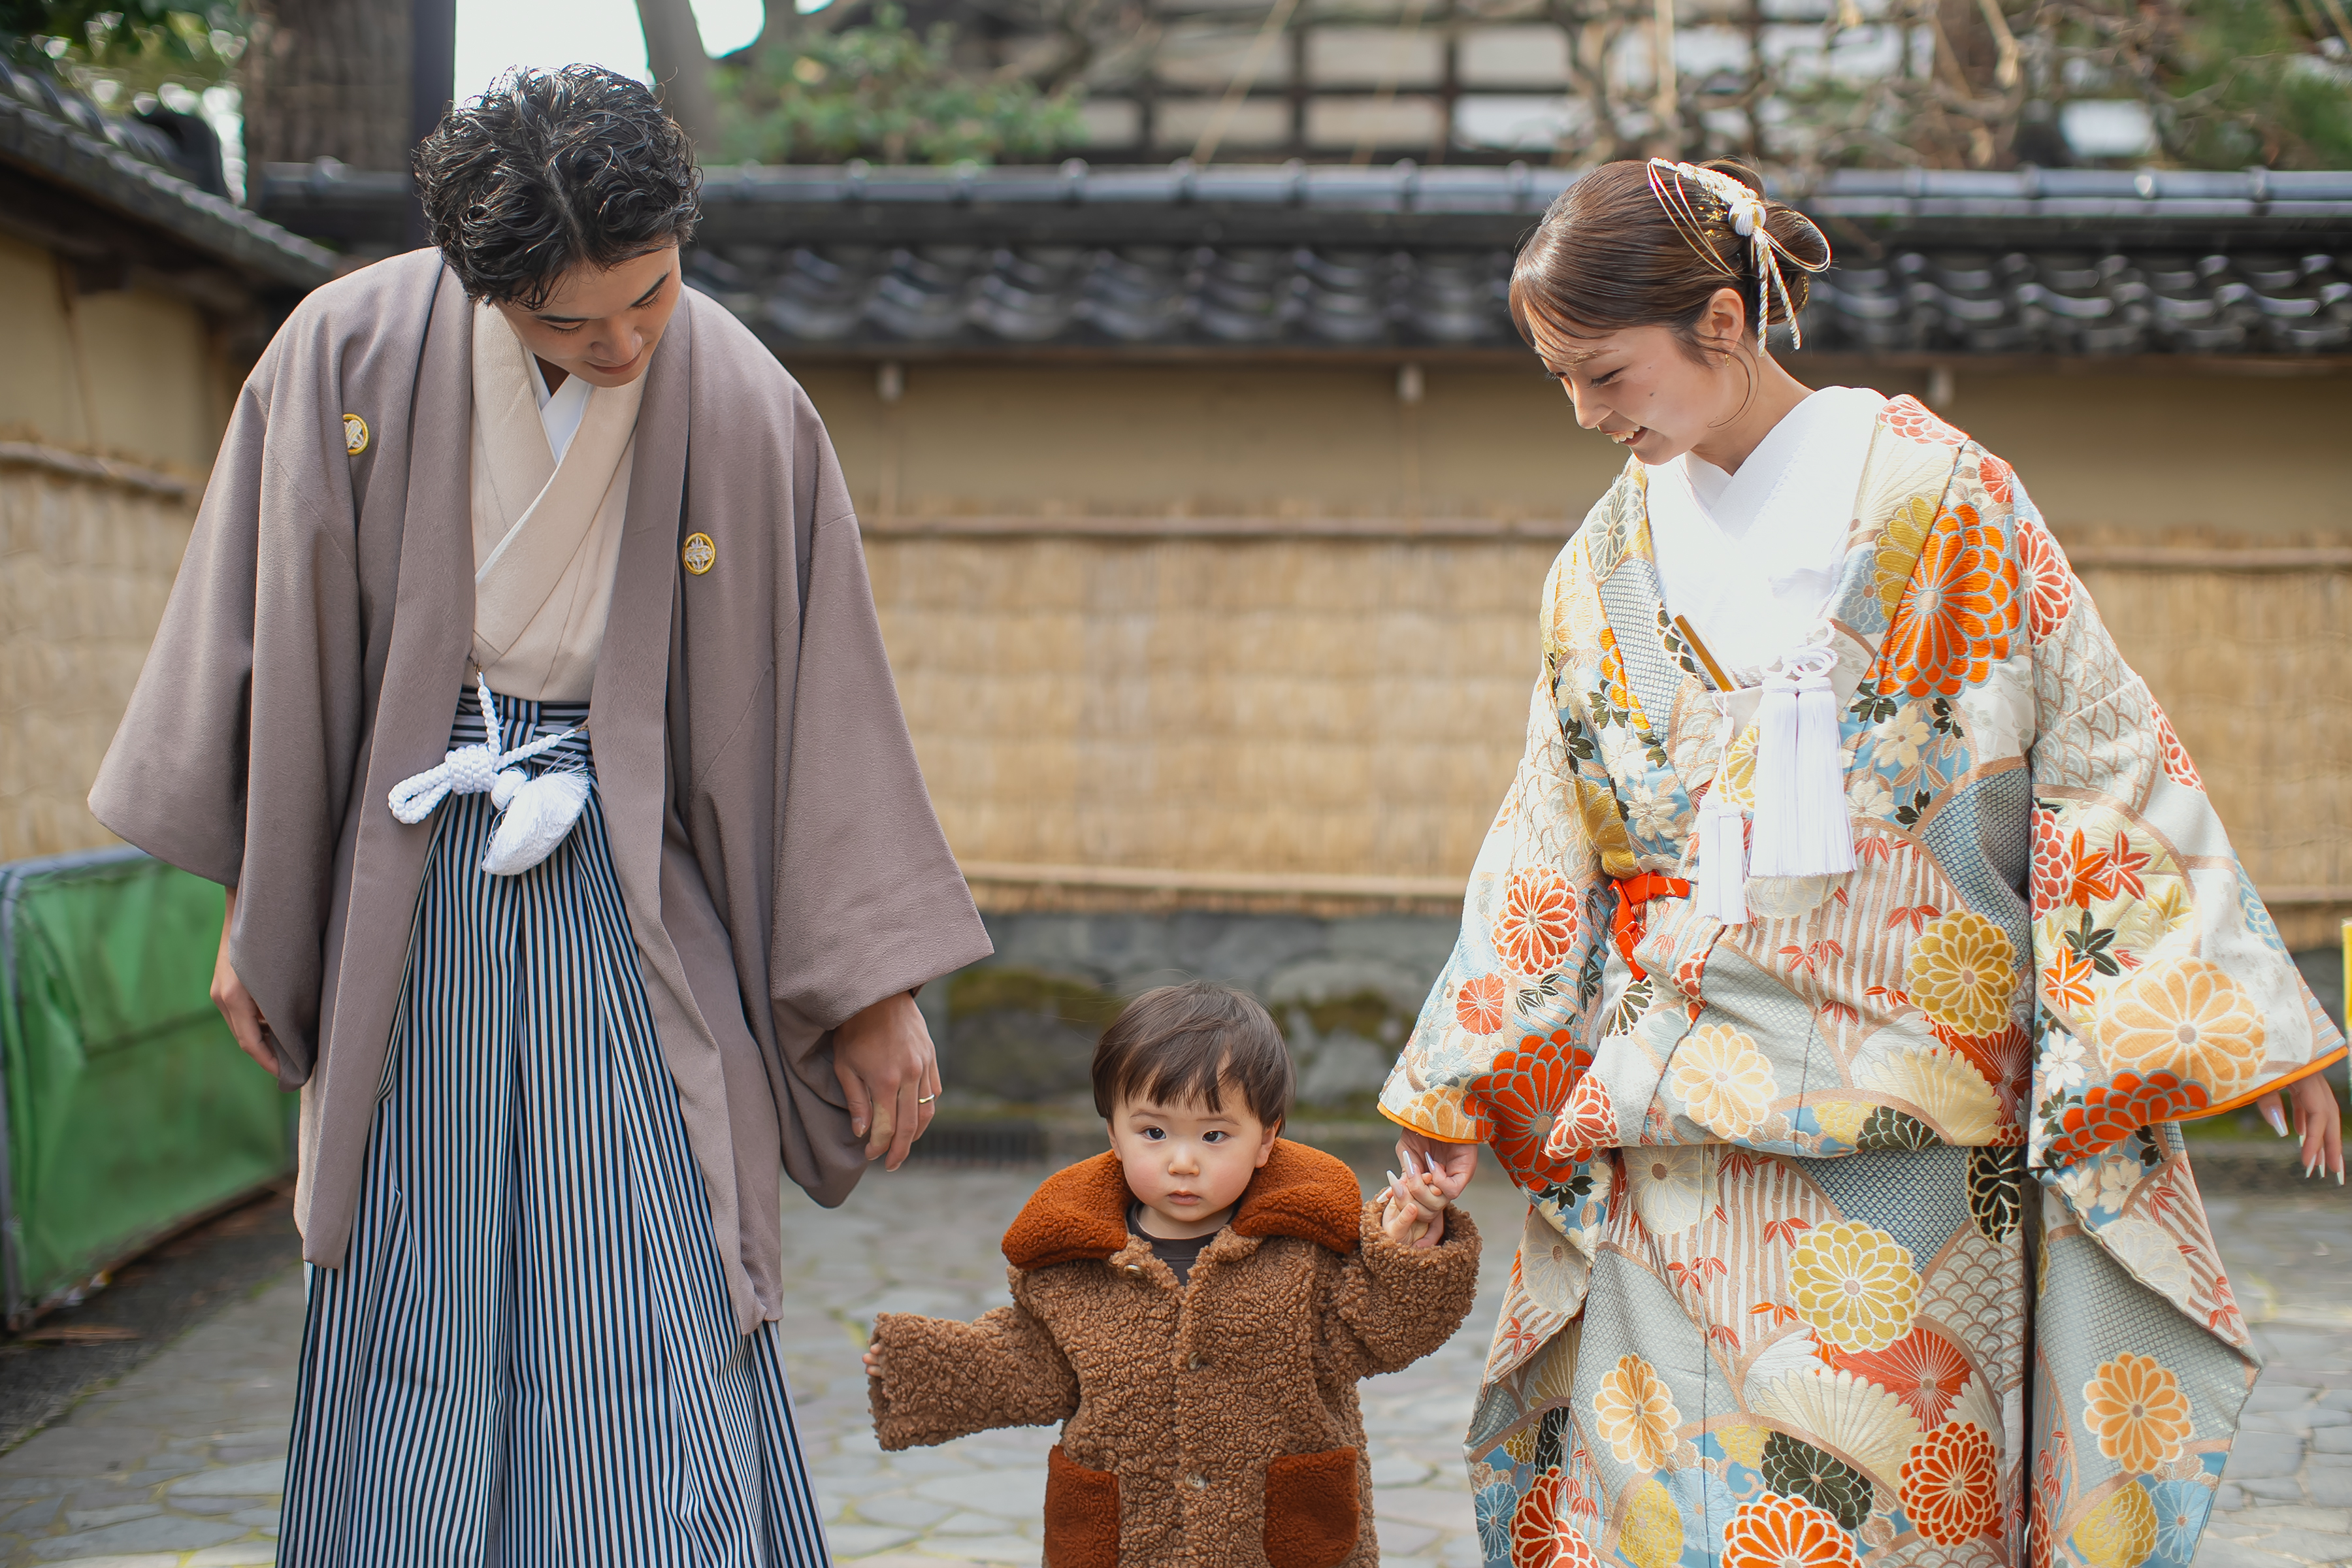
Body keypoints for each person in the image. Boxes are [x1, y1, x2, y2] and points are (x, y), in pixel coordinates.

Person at [1376, 158, 2347, 1568]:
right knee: (1661, 1515)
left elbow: (2098, 753)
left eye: (1604, 373)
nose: (1588, 414)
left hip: (1910, 1128)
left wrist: (2227, 1008)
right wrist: (1471, 1069)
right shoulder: (1600, 566)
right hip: (1673, 1127)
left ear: (1723, 321)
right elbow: (1548, 827)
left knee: (1886, 1516)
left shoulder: (1948, 501)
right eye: (1563, 384)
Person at [87, 66, 992, 1563]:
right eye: (573, 322)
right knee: (412, 1254)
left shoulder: (746, 401)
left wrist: (871, 980)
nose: (625, 340)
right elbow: (261, 637)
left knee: (659, 1250)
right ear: (479, 280)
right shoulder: (347, 353)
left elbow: (821, 700)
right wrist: (256, 907)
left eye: (650, 296)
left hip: (632, 885)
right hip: (414, 867)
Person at [862, 981, 1481, 1567]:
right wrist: (920, 1365)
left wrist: (1409, 1256)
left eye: (1215, 1135)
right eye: (1153, 1132)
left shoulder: (1305, 1251)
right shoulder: (1075, 1262)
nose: (1182, 1162)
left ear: (1266, 1141)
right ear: (1114, 1134)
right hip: (1129, 1538)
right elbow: (1031, 1361)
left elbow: (1376, 1330)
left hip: (1275, 1540)